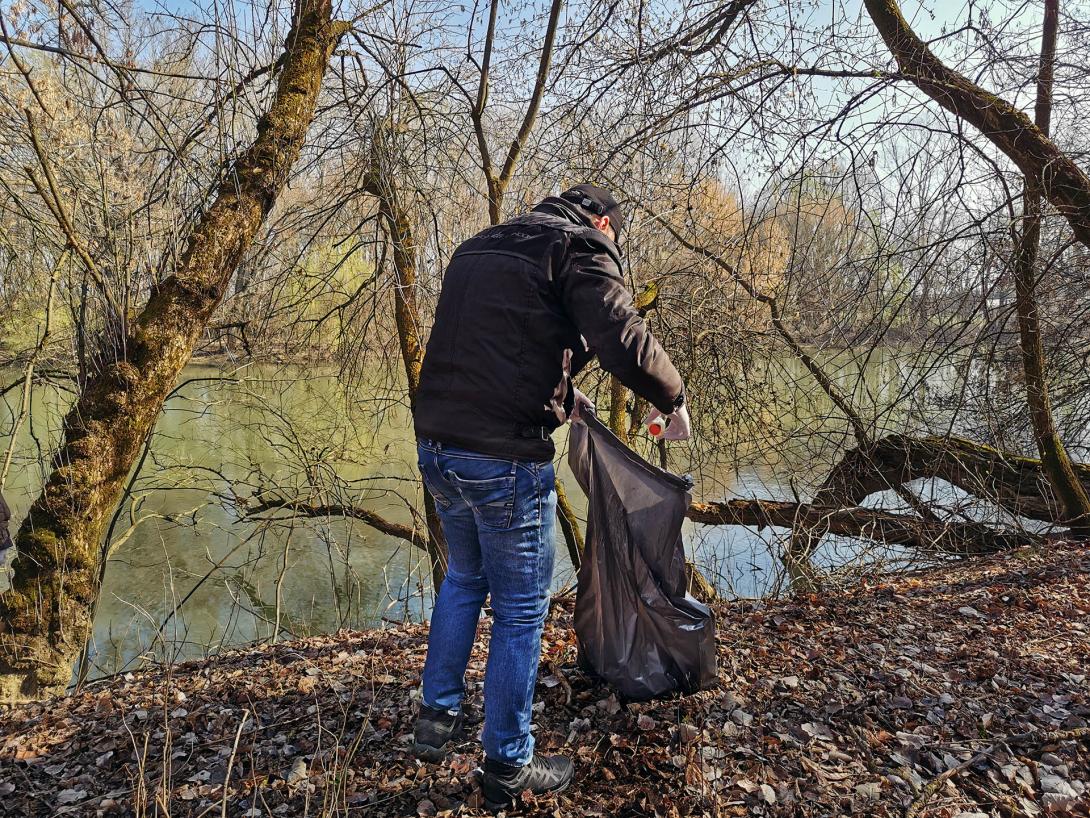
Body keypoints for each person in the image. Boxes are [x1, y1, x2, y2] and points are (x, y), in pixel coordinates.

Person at [411, 183, 690, 808]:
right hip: (502, 457)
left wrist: (561, 394)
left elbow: (496, 349)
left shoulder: (479, 248)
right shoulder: (577, 246)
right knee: (519, 608)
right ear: (602, 222)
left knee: (464, 578)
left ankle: (437, 714)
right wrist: (672, 397)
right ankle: (508, 762)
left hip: (437, 444)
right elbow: (620, 335)